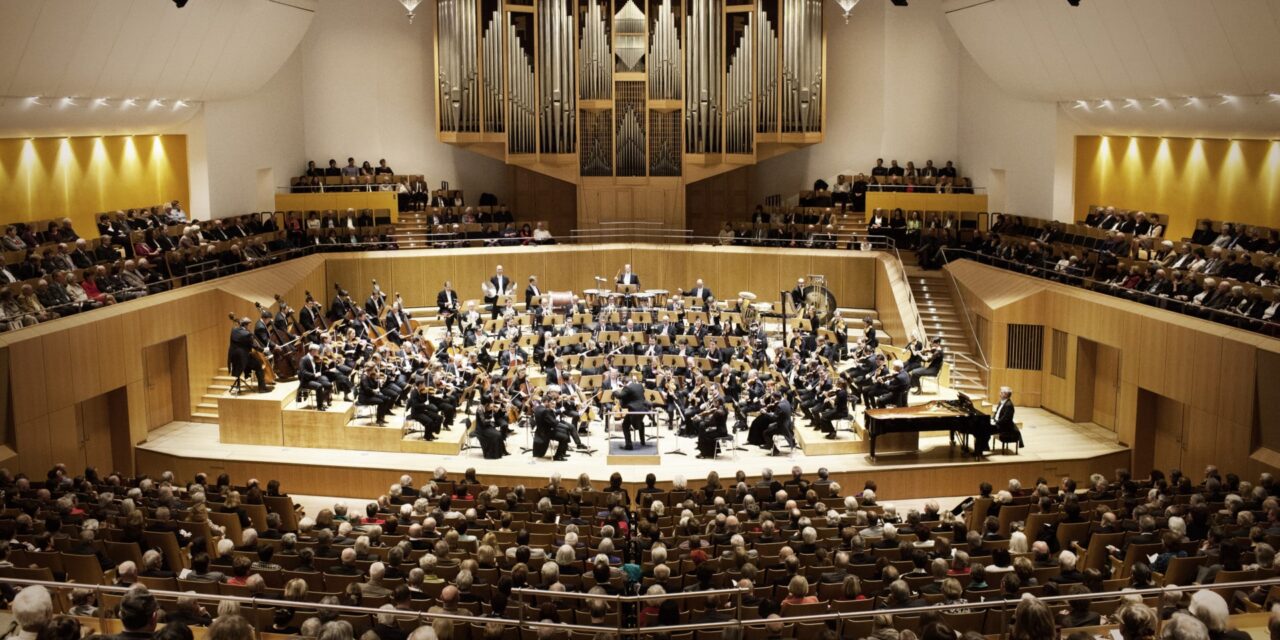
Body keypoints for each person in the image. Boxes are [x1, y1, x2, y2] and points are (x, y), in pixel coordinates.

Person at [228, 316, 271, 393]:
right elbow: (254, 346)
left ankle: (247, 375)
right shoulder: (247, 334)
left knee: (253, 360)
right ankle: (262, 388)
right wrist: (263, 350)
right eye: (249, 325)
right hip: (243, 358)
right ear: (246, 325)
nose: (250, 326)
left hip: (234, 358)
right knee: (259, 366)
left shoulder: (234, 331)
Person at [616, 374, 651, 450]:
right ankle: (642, 441)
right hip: (643, 409)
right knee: (641, 423)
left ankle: (629, 445)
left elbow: (620, 396)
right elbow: (636, 396)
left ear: (624, 383)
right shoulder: (640, 386)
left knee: (625, 425)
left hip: (634, 410)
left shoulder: (627, 388)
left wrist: (614, 392)